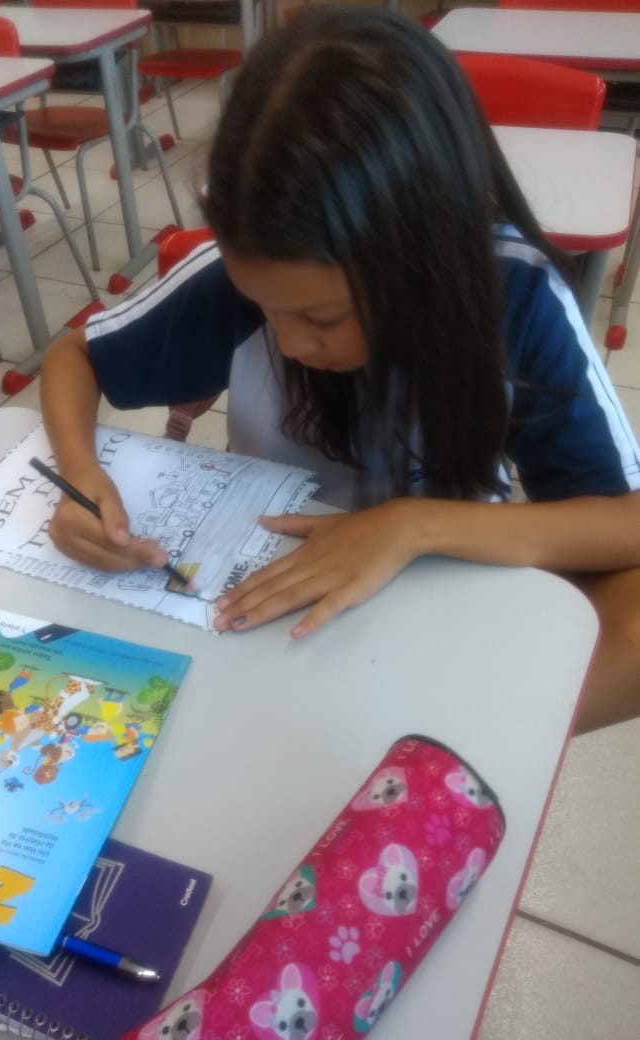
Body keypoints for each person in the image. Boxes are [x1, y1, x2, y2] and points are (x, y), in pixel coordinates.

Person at [40, 7, 640, 735]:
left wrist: (410, 527)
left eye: (322, 319)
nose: (291, 343)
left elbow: (625, 523)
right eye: (269, 310)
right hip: (264, 592)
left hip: (439, 584)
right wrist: (83, 477)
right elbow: (73, 356)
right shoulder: (243, 274)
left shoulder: (512, 297)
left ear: (423, 261)